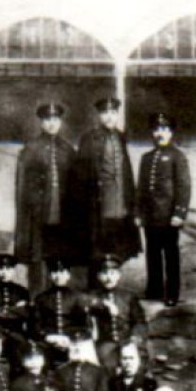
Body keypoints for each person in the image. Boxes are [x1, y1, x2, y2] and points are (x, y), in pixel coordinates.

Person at [70, 97, 141, 282]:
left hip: (120, 206)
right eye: (105, 113)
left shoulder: (120, 137)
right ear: (99, 116)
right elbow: (79, 176)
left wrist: (132, 205)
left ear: (117, 115)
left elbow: (127, 173)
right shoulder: (89, 139)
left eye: (112, 113)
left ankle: (112, 290)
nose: (109, 117)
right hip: (99, 207)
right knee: (96, 253)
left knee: (117, 252)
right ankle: (95, 292)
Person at [13, 103, 76, 294]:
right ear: (41, 122)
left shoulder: (68, 149)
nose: (52, 123)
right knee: (38, 257)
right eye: (47, 119)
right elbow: (22, 186)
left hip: (63, 213)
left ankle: (59, 298)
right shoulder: (31, 149)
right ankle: (37, 297)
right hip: (39, 214)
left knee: (60, 254)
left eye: (55, 119)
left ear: (61, 122)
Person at [136, 113, 192, 306]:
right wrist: (139, 213)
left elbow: (184, 186)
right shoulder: (146, 158)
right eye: (156, 129)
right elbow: (141, 189)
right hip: (150, 217)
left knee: (170, 255)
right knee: (152, 254)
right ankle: (154, 290)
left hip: (169, 217)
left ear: (171, 133)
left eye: (164, 129)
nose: (160, 133)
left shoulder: (178, 156)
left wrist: (179, 213)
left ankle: (172, 293)